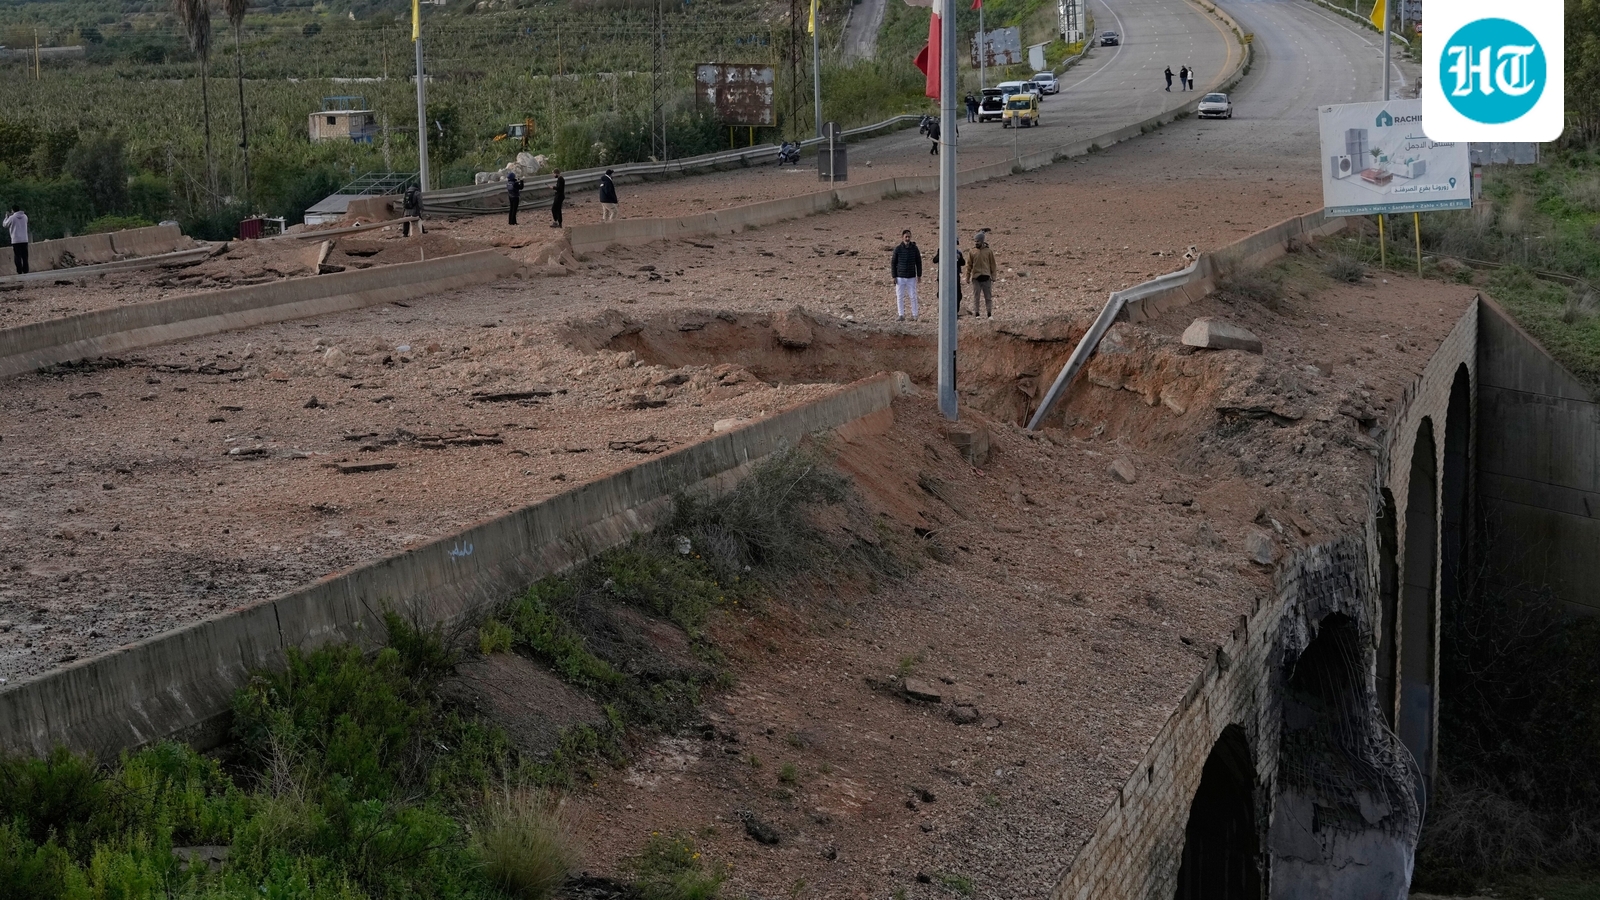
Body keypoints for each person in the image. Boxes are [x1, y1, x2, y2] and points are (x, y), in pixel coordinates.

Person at [891, 229, 922, 321]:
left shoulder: (914, 248)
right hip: (900, 276)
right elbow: (893, 263)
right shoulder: (898, 249)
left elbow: (918, 262)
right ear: (902, 237)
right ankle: (901, 314)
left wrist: (919, 275)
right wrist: (894, 276)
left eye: (909, 237)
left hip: (911, 276)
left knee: (913, 296)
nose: (907, 238)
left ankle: (915, 314)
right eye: (906, 237)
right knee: (900, 296)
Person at [966, 231, 997, 318]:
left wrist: (993, 276)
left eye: (978, 241)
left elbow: (993, 264)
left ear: (982, 241)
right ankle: (977, 313)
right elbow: (969, 265)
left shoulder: (988, 251)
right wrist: (967, 277)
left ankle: (989, 313)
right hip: (976, 277)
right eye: (975, 241)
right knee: (976, 297)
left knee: (988, 297)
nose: (976, 243)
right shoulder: (972, 252)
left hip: (986, 277)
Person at [934, 239, 964, 309]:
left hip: (955, 276)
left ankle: (956, 310)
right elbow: (935, 260)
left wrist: (959, 258)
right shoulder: (941, 250)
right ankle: (943, 310)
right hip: (943, 276)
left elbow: (963, 263)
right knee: (942, 294)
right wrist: (941, 255)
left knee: (957, 294)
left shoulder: (958, 252)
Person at [3, 206, 27, 275]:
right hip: (24, 239)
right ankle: (26, 269)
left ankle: (19, 271)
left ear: (13, 210)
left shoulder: (12, 218)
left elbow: (5, 225)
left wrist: (6, 217)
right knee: (25, 256)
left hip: (16, 240)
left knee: (17, 256)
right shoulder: (25, 216)